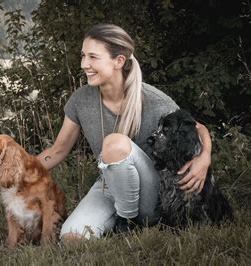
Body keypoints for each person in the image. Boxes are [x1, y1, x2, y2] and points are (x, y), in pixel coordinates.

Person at [36, 24, 212, 241]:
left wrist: (204, 158)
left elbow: (197, 127)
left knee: (115, 144)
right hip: (110, 185)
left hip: (151, 192)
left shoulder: (153, 100)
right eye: (83, 56)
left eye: (93, 57)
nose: (84, 65)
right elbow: (57, 150)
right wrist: (16, 170)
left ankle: (126, 222)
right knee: (73, 238)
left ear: (119, 61)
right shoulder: (81, 100)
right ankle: (121, 216)